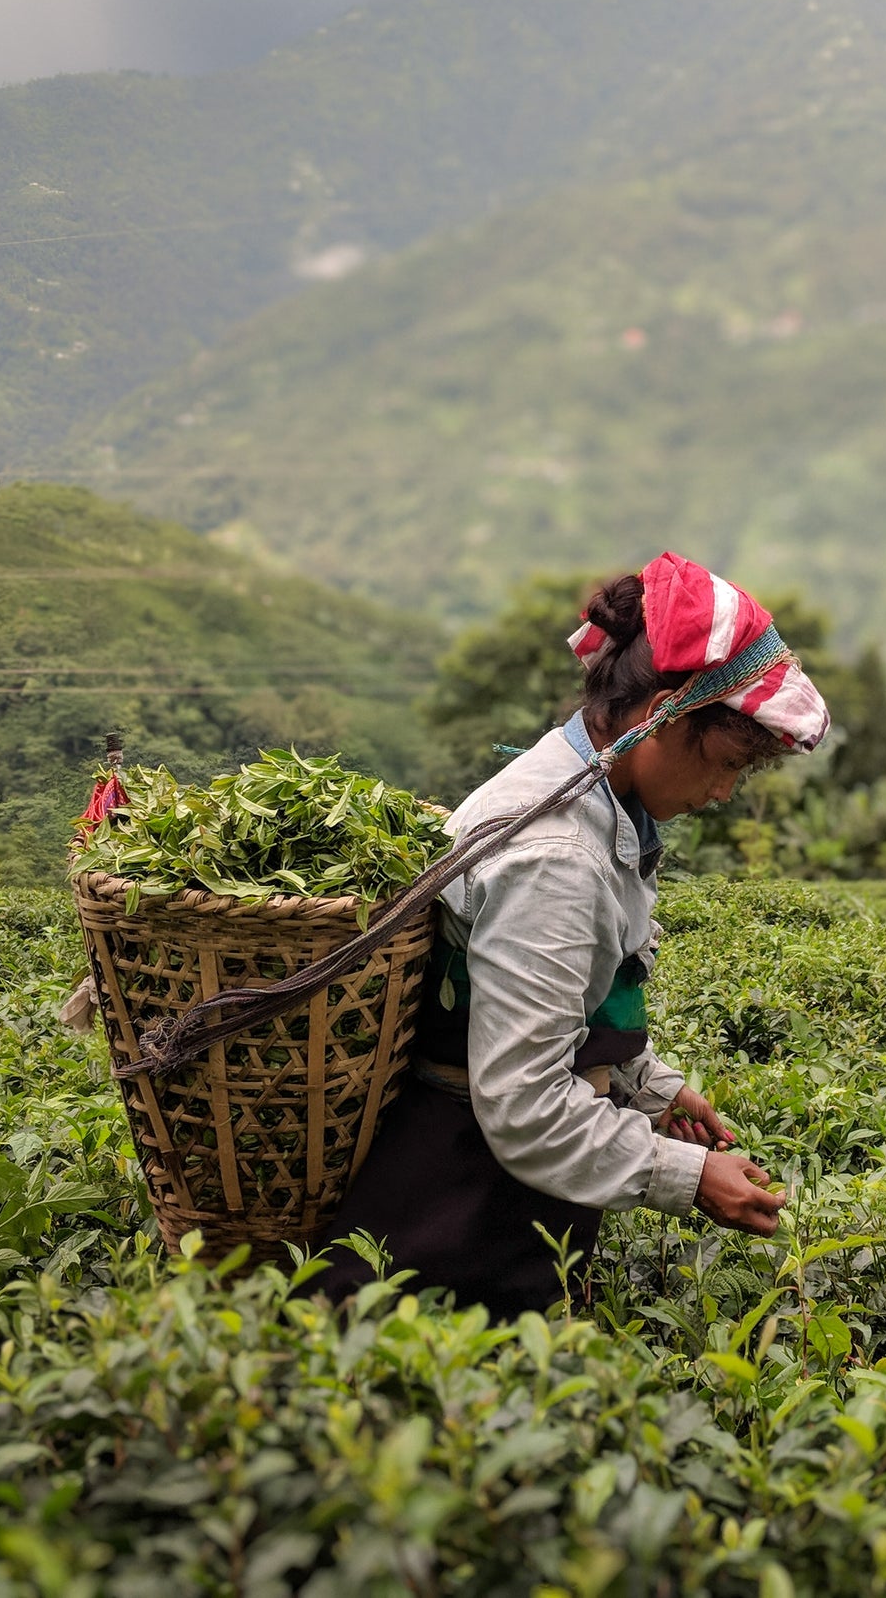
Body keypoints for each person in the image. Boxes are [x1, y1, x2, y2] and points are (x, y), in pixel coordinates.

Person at [318, 551, 831, 1317]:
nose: (724, 791)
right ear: (661, 710)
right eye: (726, 762)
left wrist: (652, 1088)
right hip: (456, 1212)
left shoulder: (595, 793)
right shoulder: (557, 855)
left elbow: (569, 1000)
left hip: (495, 1196)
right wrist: (687, 1176)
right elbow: (524, 1105)